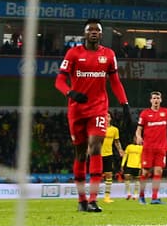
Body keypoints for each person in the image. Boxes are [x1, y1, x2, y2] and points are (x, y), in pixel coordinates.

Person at [54, 18, 131, 213]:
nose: (94, 32)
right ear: (85, 33)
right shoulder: (73, 53)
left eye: (97, 30)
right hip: (77, 110)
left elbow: (115, 81)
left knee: (95, 148)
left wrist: (125, 104)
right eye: (91, 30)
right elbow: (60, 81)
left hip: (98, 108)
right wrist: (70, 93)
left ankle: (93, 199)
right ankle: (81, 201)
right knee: (80, 153)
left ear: (101, 34)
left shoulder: (109, 55)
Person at [97, 118, 124, 204]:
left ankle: (107, 197)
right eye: (104, 116)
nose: (106, 118)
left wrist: (120, 150)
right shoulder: (98, 128)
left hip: (108, 154)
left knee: (109, 175)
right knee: (96, 175)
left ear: (110, 118)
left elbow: (116, 141)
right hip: (98, 155)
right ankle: (93, 197)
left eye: (108, 116)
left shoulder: (114, 130)